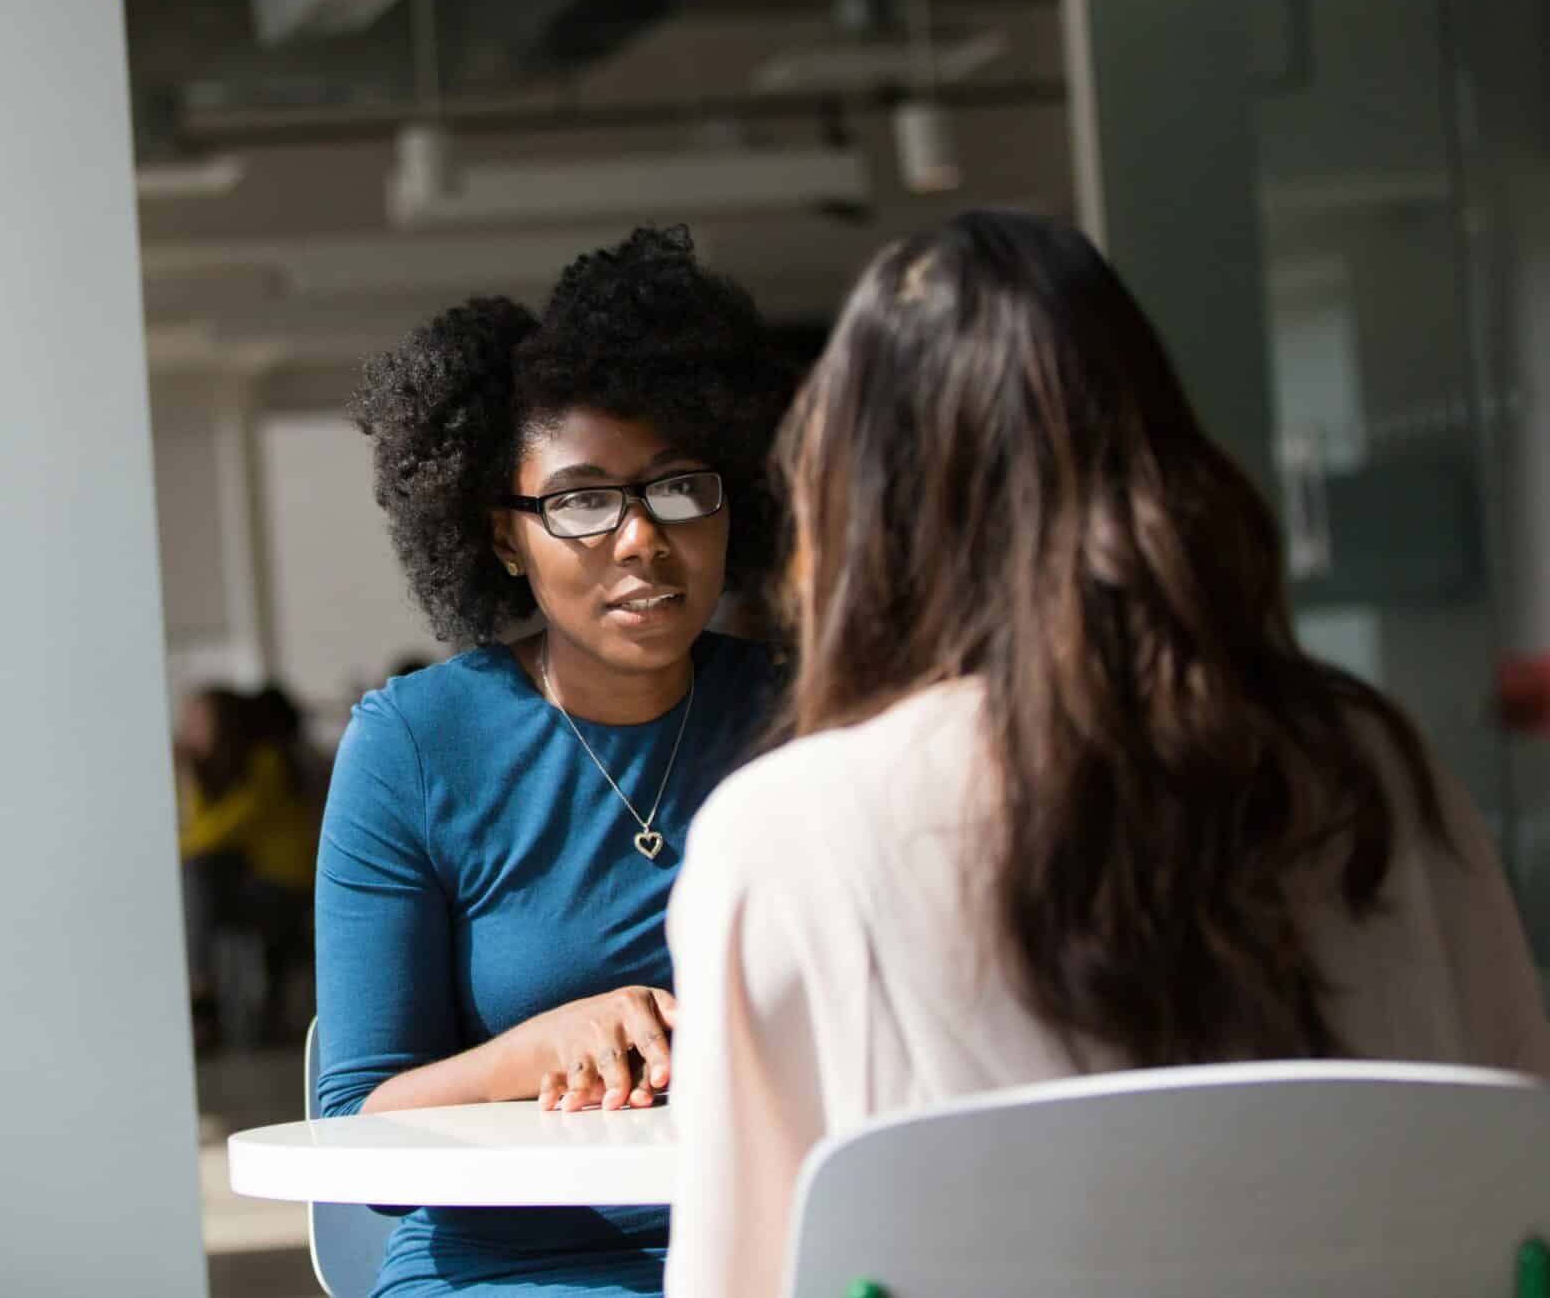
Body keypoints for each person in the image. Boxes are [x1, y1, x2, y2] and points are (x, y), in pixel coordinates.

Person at [663, 211, 1550, 1298]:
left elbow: (732, 1279)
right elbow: (1520, 1193)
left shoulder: (786, 836)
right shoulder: (1377, 771)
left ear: (860, 507)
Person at [319, 225, 796, 1298]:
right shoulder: (416, 745)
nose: (641, 539)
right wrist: (545, 1048)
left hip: (781, 1250)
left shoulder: (801, 715)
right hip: (514, 1271)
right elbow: (358, 1134)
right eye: (581, 501)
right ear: (501, 538)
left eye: (679, 488)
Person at [176, 684, 318, 1048]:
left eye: (197, 720)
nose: (188, 729)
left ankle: (200, 993)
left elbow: (218, 832)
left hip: (287, 888)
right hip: (255, 884)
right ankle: (200, 994)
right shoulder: (219, 772)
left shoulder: (266, 764)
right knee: (196, 882)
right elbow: (204, 831)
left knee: (195, 878)